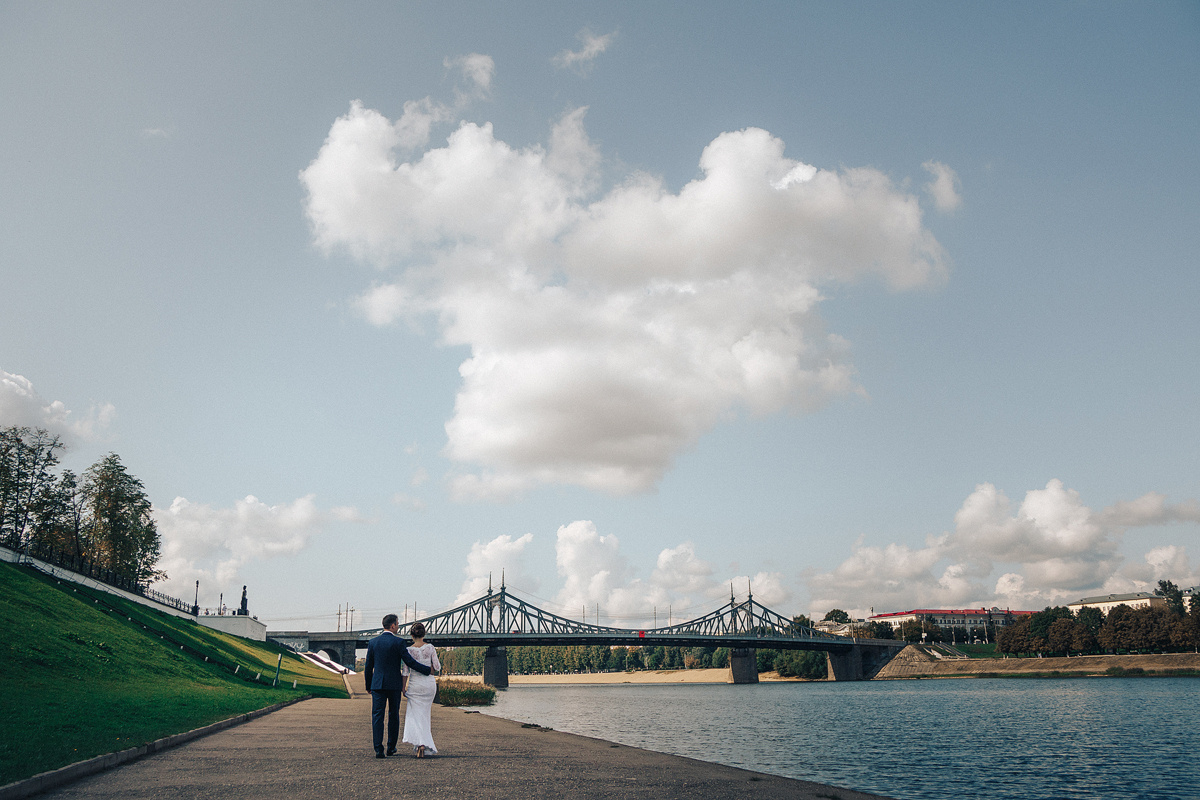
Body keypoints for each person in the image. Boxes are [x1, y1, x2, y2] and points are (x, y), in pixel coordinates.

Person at [364, 613, 432, 758]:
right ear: (393, 626)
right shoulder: (399, 643)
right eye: (398, 623)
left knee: (377, 716)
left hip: (378, 685)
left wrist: (368, 685)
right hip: (394, 684)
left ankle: (378, 749)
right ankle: (391, 747)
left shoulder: (373, 642)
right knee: (393, 715)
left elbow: (368, 667)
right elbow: (410, 662)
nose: (399, 626)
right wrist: (427, 670)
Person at [401, 621, 441, 758]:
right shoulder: (430, 648)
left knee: (415, 716)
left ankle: (420, 744)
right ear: (424, 634)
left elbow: (405, 672)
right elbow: (437, 667)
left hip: (415, 684)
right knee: (425, 715)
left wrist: (403, 688)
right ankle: (423, 743)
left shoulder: (408, 650)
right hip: (429, 685)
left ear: (412, 635)